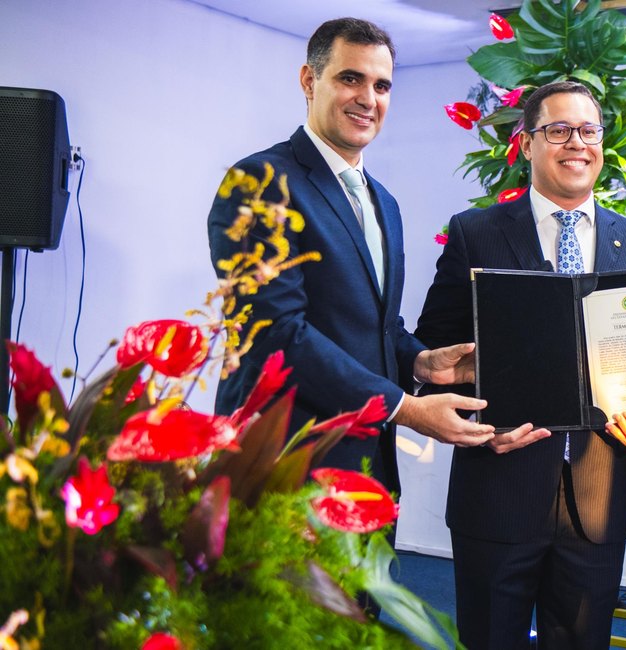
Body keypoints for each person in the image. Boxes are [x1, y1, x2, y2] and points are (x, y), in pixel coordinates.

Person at [415, 81, 626, 650]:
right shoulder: (476, 233)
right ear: (527, 144)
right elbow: (433, 349)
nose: (577, 143)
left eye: (589, 130)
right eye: (558, 130)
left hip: (598, 500)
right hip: (498, 492)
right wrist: (472, 426)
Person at [206, 17, 495, 498]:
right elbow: (277, 334)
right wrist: (405, 408)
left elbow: (373, 325)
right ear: (308, 80)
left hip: (366, 468)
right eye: (350, 78)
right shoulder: (260, 181)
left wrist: (422, 363)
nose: (368, 99)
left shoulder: (384, 202)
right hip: (283, 467)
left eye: (381, 85)